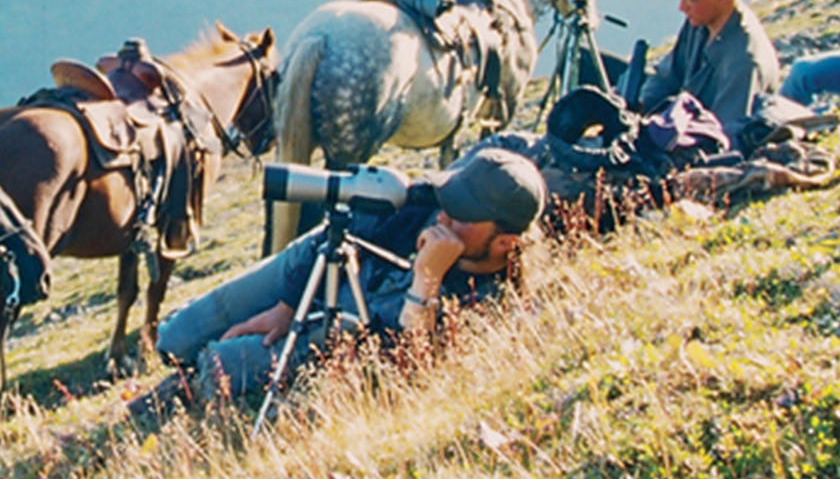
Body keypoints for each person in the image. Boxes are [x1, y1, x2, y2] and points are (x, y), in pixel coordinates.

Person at [151, 147, 546, 403]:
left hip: (342, 333)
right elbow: (338, 231)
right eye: (450, 202)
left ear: (505, 243)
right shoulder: (432, 202)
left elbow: (410, 367)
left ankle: (170, 395)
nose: (444, 216)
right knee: (173, 337)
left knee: (215, 370)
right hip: (316, 269)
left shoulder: (488, 307)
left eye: (462, 216)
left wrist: (426, 282)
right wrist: (286, 306)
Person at [636, 0, 780, 133]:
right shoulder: (699, 24)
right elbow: (667, 77)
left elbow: (724, 133)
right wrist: (639, 107)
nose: (682, 7)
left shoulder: (744, 61)